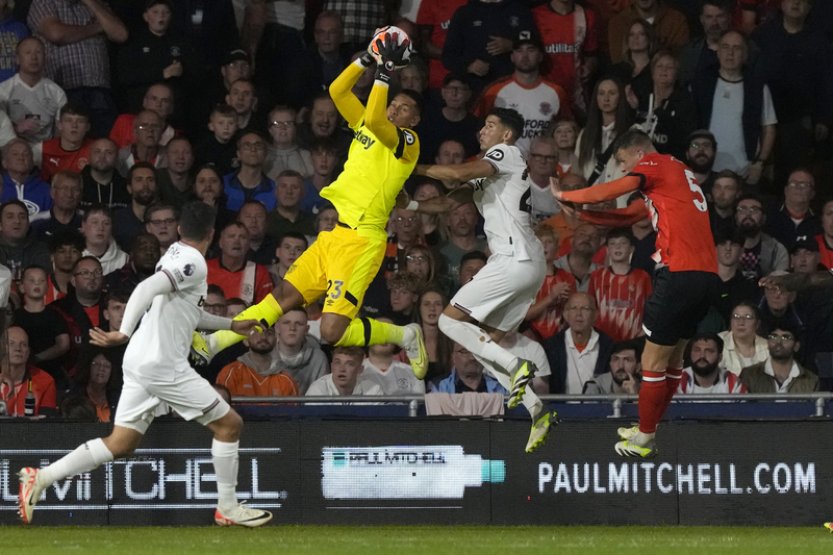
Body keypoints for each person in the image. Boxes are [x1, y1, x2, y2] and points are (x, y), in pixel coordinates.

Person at [17, 201, 273, 527]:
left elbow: (188, 311)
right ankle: (228, 507)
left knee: (121, 443)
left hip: (141, 360)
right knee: (230, 425)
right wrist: (122, 331)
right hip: (162, 364)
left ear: (180, 229)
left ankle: (39, 478)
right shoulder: (194, 261)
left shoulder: (175, 253)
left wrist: (230, 325)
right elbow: (147, 288)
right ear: (212, 234)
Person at [190, 33, 428, 380]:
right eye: (395, 104)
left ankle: (405, 334)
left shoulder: (408, 142)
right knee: (284, 294)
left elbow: (378, 120)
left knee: (331, 332)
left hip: (363, 242)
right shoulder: (365, 123)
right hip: (334, 236)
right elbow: (337, 92)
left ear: (415, 120)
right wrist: (366, 59)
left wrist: (385, 71)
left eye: (405, 108)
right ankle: (214, 343)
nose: (396, 108)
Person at [552, 128, 719, 458]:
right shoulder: (678, 176)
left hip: (680, 274)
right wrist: (583, 216)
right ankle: (649, 428)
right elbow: (629, 214)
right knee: (671, 361)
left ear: (637, 152)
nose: (626, 168)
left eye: (623, 160)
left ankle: (644, 436)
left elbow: (620, 188)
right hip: (707, 278)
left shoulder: (655, 163)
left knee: (651, 360)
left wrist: (569, 196)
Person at [413, 107, 554, 453]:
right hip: (531, 264)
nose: (481, 130)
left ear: (507, 134)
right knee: (485, 343)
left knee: (448, 321)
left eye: (489, 125)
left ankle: (517, 366)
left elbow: (457, 171)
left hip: (512, 258)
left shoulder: (504, 153)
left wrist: (410, 166)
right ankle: (537, 409)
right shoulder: (493, 172)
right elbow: (448, 204)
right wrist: (411, 207)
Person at [587, 227, 653, 342]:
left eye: (623, 243)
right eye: (613, 244)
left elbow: (651, 308)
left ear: (631, 249)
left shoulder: (642, 277)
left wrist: (643, 331)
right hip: (602, 339)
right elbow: (590, 306)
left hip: (633, 338)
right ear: (607, 250)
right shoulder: (597, 276)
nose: (618, 247)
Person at [543, 291, 614, 394]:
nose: (578, 314)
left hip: (598, 408)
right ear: (565, 314)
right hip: (562, 409)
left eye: (585, 309)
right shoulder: (551, 347)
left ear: (595, 315)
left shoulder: (608, 346)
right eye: (573, 308)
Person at [0, 36, 67, 144]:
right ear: (17, 59)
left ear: (45, 58)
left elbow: (61, 130)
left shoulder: (56, 92)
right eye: (28, 53)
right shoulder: (4, 89)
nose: (34, 57)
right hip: (13, 148)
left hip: (47, 150)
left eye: (38, 52)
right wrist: (17, 129)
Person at [215, 326, 298, 398]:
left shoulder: (286, 379)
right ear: (245, 340)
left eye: (269, 333)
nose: (263, 337)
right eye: (256, 332)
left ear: (276, 339)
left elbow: (293, 414)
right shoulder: (230, 373)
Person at [739, 322, 818, 393]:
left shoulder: (811, 380)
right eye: (773, 337)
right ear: (767, 343)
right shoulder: (749, 375)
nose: (778, 342)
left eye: (786, 337)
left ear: (796, 346)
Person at [0, 325, 57, 417]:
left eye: (23, 344)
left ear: (28, 352)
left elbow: (48, 425)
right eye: (11, 344)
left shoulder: (45, 381)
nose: (18, 349)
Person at [677, 332, 746, 394]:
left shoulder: (733, 384)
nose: (702, 356)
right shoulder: (678, 382)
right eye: (697, 350)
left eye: (709, 351)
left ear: (720, 357)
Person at [718, 300, 769, 376]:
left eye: (748, 317)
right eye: (735, 317)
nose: (741, 322)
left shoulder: (767, 346)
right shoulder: (718, 342)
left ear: (757, 324)